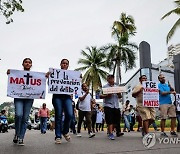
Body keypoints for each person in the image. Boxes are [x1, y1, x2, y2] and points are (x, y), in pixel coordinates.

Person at [7, 58, 35, 145]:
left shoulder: (35, 75)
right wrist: (9, 73)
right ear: (23, 64)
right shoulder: (17, 74)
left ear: (31, 65)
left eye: (29, 62)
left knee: (25, 118)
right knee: (19, 115)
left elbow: (40, 82)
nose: (27, 63)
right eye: (26, 62)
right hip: (18, 97)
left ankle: (21, 137)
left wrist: (46, 76)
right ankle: (17, 133)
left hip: (29, 98)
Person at [49, 59, 73, 144]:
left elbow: (75, 85)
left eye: (66, 64)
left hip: (67, 97)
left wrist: (79, 78)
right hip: (57, 97)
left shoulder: (71, 75)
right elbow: (50, 84)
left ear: (68, 65)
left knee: (70, 114)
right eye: (63, 63)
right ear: (60, 64)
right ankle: (58, 136)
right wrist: (49, 76)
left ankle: (65, 131)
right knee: (58, 115)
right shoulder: (55, 73)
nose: (65, 65)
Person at [100, 74, 123, 140]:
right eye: (109, 78)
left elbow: (120, 96)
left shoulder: (117, 86)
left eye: (112, 78)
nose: (111, 80)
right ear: (107, 79)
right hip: (108, 105)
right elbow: (100, 96)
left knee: (116, 120)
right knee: (109, 120)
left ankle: (114, 131)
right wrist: (106, 96)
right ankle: (110, 133)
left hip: (116, 106)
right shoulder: (105, 87)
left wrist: (119, 93)